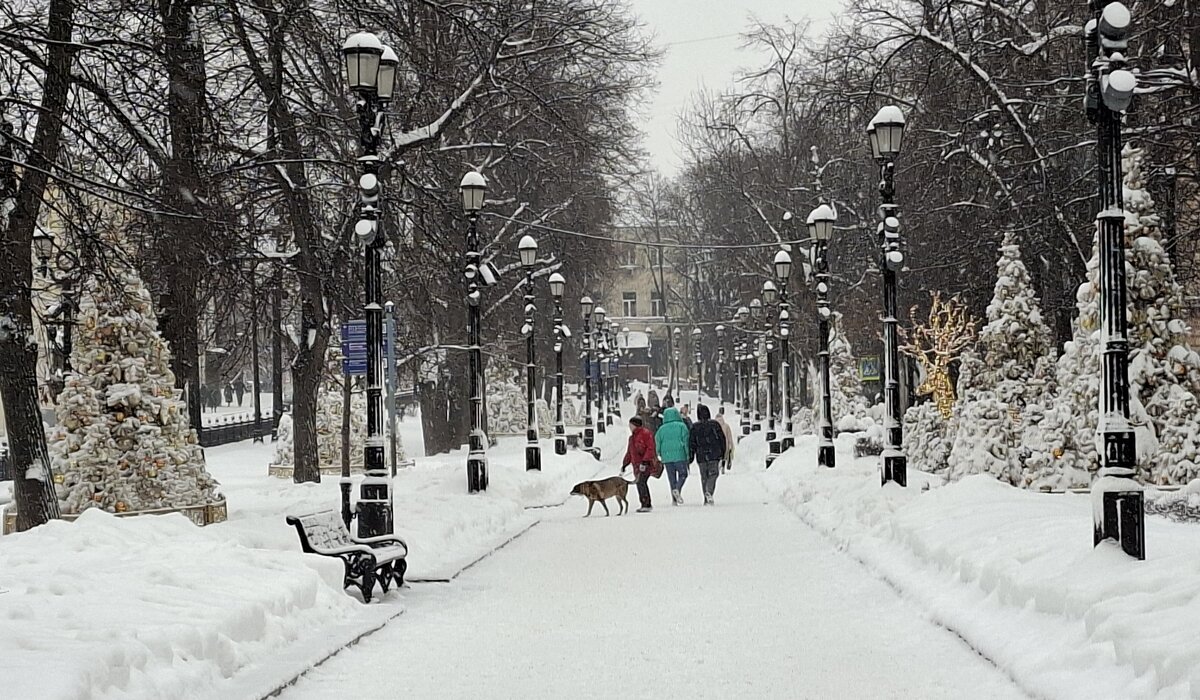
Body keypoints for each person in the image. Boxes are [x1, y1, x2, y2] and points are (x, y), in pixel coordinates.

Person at [688, 404, 727, 505]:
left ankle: (706, 496)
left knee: (704, 476)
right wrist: (723, 452)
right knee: (713, 474)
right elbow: (722, 439)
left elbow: (692, 442)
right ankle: (709, 492)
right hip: (713, 454)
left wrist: (691, 455)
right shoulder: (714, 425)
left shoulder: (695, 427)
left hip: (701, 455)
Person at [654, 405, 691, 505]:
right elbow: (686, 441)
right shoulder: (682, 426)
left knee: (671, 478)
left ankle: (674, 499)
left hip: (666, 457)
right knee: (683, 474)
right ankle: (678, 489)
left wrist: (658, 453)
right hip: (680, 455)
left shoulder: (661, 429)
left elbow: (658, 442)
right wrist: (688, 454)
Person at [620, 416, 658, 512]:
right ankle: (644, 503)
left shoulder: (645, 434)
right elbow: (629, 452)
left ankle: (646, 504)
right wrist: (625, 464)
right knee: (639, 483)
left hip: (646, 464)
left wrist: (645, 461)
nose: (629, 427)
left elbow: (650, 448)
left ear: (635, 425)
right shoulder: (632, 438)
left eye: (631, 425)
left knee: (641, 482)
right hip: (636, 465)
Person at [715, 409, 735, 474]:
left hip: (716, 444)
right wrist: (731, 446)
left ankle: (717, 466)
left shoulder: (714, 426)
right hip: (725, 444)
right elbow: (729, 437)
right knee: (724, 457)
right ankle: (723, 467)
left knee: (717, 456)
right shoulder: (726, 426)